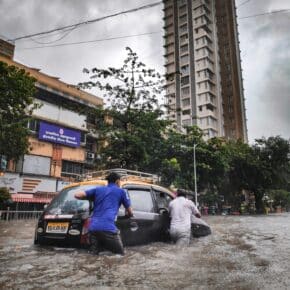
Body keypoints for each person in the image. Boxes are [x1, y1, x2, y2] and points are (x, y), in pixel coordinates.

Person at [74, 172, 133, 255]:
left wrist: (91, 197)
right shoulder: (121, 191)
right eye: (120, 181)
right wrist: (128, 215)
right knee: (121, 256)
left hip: (93, 229)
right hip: (108, 228)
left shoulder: (98, 189)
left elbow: (77, 195)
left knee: (93, 256)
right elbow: (130, 212)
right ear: (117, 181)